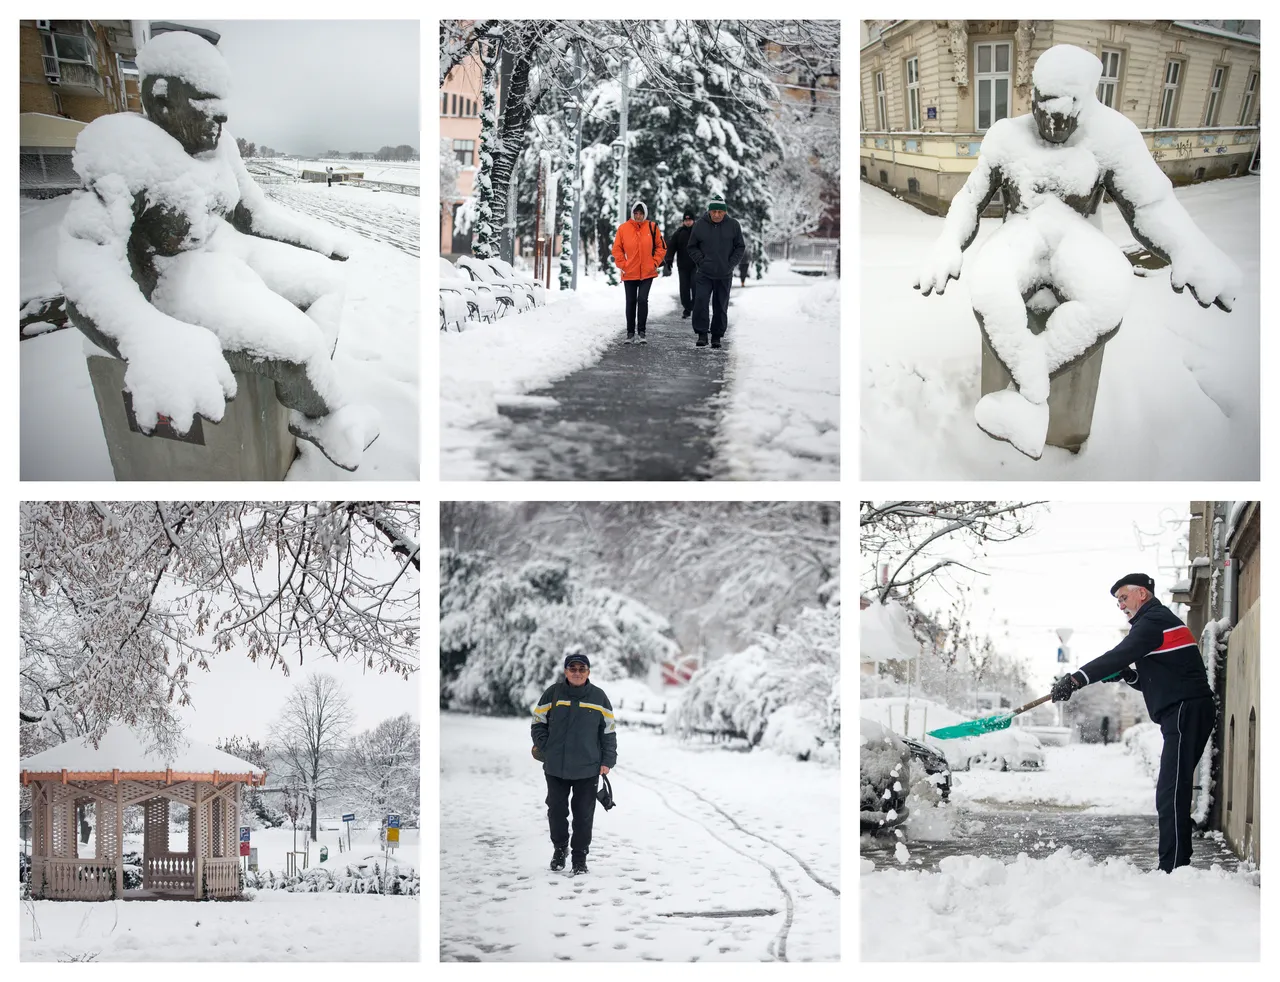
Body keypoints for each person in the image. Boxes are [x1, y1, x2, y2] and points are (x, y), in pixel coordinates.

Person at [915, 44, 1240, 460]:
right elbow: (969, 198)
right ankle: (1031, 398)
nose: (1053, 124)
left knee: (1108, 300)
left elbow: (1149, 205)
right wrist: (948, 243)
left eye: (1065, 115)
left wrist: (1188, 249)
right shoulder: (1006, 137)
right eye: (1044, 111)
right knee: (989, 288)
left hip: (1078, 239)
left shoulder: (1112, 136)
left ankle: (1024, 396)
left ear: (1086, 101)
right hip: (1022, 234)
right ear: (1032, 97)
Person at [1050, 574, 1215, 872]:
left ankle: (1174, 868)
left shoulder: (1153, 622)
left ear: (1142, 593)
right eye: (1117, 602)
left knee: (1171, 790)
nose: (1121, 606)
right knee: (1172, 789)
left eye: (1123, 598)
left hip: (1185, 709)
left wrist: (1075, 680)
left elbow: (1117, 655)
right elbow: (1158, 679)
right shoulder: (1155, 624)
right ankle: (1177, 864)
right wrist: (1129, 675)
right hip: (1185, 709)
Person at [531, 651, 617, 875]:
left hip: (588, 768)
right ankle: (560, 849)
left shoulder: (599, 697)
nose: (577, 673)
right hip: (556, 767)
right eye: (573, 669)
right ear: (565, 671)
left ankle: (580, 858)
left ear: (588, 672)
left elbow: (608, 732)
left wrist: (607, 760)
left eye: (582, 669)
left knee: (583, 815)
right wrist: (547, 747)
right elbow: (538, 721)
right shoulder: (553, 693)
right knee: (556, 812)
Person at [686, 196, 745, 349]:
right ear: (709, 211)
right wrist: (701, 261)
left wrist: (730, 264)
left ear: (725, 212)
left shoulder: (733, 225)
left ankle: (717, 336)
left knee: (721, 305)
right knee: (700, 302)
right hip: (704, 273)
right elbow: (692, 247)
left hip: (724, 274)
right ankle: (702, 334)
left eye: (720, 211)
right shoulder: (699, 225)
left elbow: (740, 247)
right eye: (714, 211)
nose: (717, 214)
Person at [611, 201, 666, 343]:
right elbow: (617, 249)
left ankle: (642, 332)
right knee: (630, 301)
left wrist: (654, 262)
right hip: (629, 272)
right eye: (636, 213)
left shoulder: (652, 227)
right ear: (632, 213)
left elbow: (661, 247)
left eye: (641, 213)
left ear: (645, 214)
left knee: (642, 300)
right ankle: (630, 333)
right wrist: (623, 264)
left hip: (647, 272)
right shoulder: (623, 229)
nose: (638, 216)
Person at [661, 209, 698, 318]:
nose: (687, 222)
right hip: (683, 266)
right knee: (684, 289)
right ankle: (687, 308)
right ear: (683, 221)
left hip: (696, 266)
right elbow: (672, 247)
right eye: (686, 220)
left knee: (696, 287)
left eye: (690, 220)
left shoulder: (698, 231)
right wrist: (669, 259)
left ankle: (695, 307)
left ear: (693, 221)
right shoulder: (679, 232)